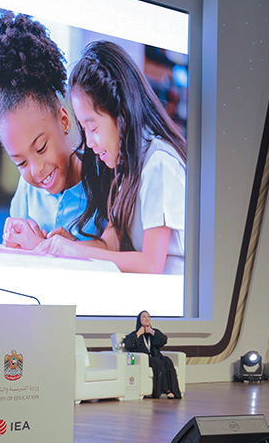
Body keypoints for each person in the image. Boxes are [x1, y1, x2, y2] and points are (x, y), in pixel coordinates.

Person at [35, 40, 187, 275]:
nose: (89, 142)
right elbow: (110, 245)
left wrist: (75, 251)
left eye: (93, 128)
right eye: (84, 129)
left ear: (122, 113)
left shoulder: (159, 163)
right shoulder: (127, 167)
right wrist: (67, 245)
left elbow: (151, 264)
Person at [0, 10, 105, 250]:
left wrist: (76, 249)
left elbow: (118, 253)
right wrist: (14, 244)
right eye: (21, 163)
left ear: (64, 121)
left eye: (41, 148)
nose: (36, 170)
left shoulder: (103, 180)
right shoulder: (27, 192)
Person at [123, 310, 181, 399]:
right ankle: (166, 390)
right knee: (157, 362)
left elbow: (163, 340)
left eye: (148, 317)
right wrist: (139, 333)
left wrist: (152, 332)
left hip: (156, 357)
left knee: (167, 361)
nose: (146, 318)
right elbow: (128, 344)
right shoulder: (135, 334)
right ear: (139, 320)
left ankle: (174, 390)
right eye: (144, 317)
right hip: (145, 359)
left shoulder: (153, 332)